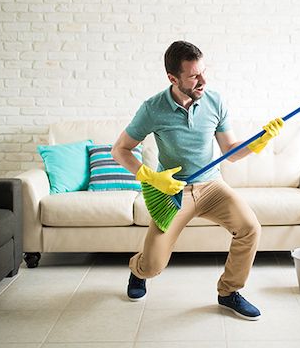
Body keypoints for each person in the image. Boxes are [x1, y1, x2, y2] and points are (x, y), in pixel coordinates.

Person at [111, 40, 283, 321]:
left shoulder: (214, 101)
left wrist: (260, 140)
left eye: (204, 71)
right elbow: (119, 149)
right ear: (173, 78)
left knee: (250, 227)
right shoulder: (152, 108)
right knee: (153, 265)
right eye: (194, 75)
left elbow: (231, 153)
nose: (203, 80)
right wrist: (149, 176)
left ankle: (228, 292)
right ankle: (137, 270)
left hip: (212, 186)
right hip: (174, 191)